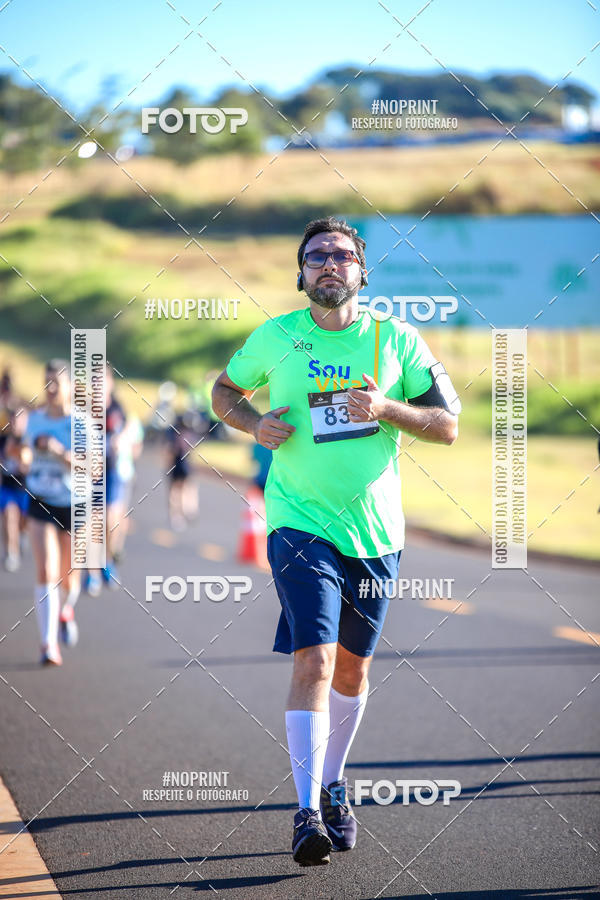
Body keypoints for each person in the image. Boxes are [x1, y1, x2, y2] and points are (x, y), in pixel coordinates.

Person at [212, 216, 460, 867]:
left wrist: (387, 410)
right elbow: (222, 391)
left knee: (352, 668)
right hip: (298, 522)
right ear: (301, 273)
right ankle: (305, 813)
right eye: (317, 255)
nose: (330, 263)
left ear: (362, 271)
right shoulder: (276, 337)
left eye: (342, 255)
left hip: (376, 532)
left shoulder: (396, 340)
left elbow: (447, 424)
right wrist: (250, 422)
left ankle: (333, 782)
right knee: (314, 661)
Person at [24, 360, 80, 665]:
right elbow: (23, 455)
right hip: (40, 500)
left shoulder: (80, 423)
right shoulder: (34, 420)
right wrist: (20, 457)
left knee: (69, 579)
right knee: (46, 571)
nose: (51, 388)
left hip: (73, 503)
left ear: (70, 387)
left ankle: (65, 609)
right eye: (47, 382)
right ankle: (48, 645)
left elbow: (92, 469)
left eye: (57, 382)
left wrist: (59, 452)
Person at [0, 408, 30, 572]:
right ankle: (11, 553)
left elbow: (29, 465)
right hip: (7, 487)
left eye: (19, 420)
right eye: (13, 420)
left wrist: (23, 463)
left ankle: (22, 535)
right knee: (9, 516)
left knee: (23, 522)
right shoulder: (3, 439)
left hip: (25, 489)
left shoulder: (29, 440)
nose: (16, 423)